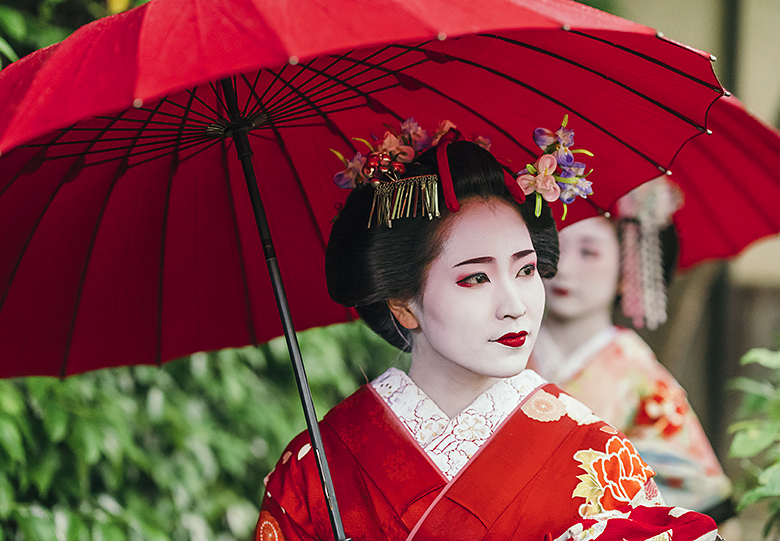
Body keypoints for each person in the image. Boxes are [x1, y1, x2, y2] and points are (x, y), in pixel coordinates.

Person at [254, 118, 720, 540]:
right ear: (402, 304)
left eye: (526, 270)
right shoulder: (317, 467)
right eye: (475, 277)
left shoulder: (596, 455)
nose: (515, 306)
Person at [529, 179, 736, 528]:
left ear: (627, 272)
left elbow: (704, 492)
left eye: (589, 252)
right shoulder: (510, 349)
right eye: (556, 248)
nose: (565, 267)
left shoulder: (637, 372)